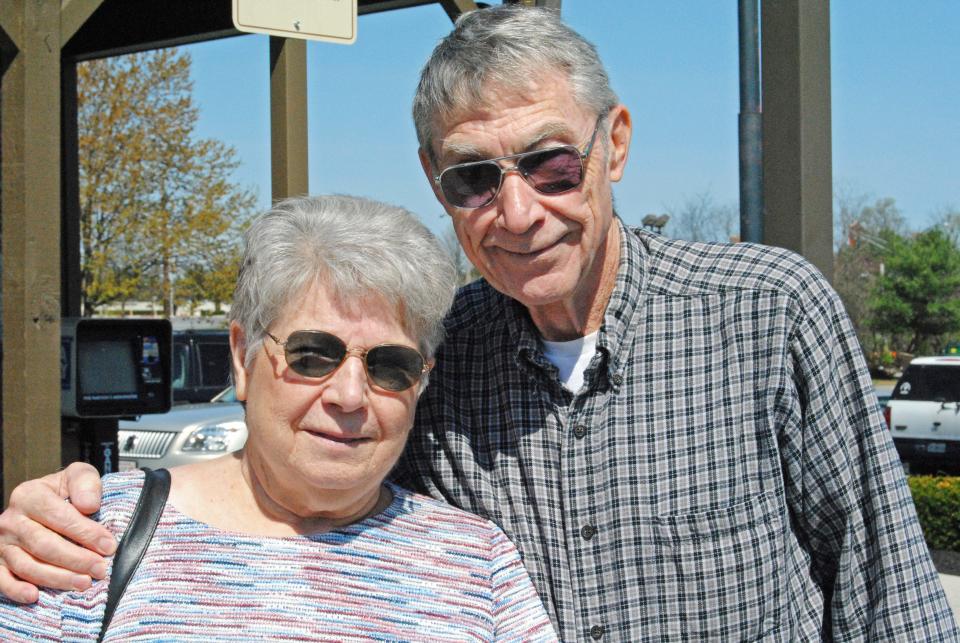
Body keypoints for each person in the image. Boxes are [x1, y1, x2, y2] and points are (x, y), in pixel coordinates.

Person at [0, 5, 956, 640]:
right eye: (474, 178)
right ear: (437, 186)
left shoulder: (766, 313)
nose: (520, 210)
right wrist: (65, 505)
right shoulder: (430, 361)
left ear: (612, 144)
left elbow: (891, 598)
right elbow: (311, 496)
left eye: (550, 163)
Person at [0, 195, 557, 641]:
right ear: (243, 358)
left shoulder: (477, 563)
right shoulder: (87, 536)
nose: (349, 395)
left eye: (391, 365)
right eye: (312, 354)